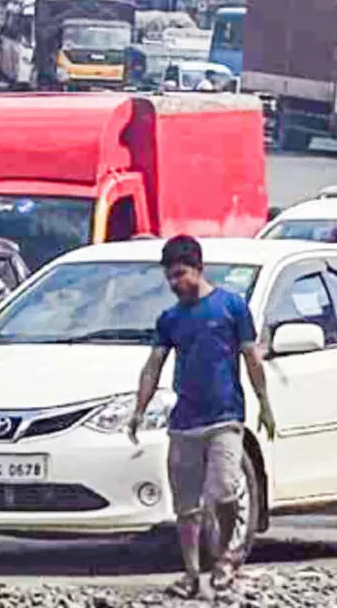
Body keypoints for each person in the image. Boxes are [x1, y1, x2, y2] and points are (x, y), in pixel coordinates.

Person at [129, 235, 275, 598]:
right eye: (170, 277)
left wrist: (265, 404)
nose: (175, 283)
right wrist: (139, 410)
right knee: (186, 507)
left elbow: (251, 359)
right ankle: (192, 573)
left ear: (199, 269)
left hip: (225, 416)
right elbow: (153, 365)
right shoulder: (170, 319)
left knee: (224, 493)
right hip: (184, 422)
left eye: (180, 274)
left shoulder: (231, 307)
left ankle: (226, 558)